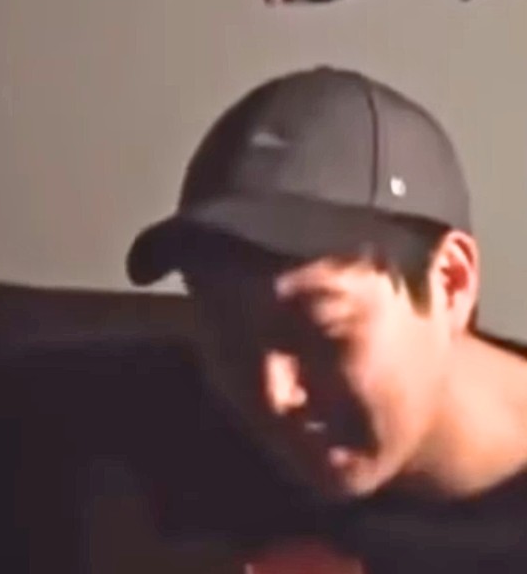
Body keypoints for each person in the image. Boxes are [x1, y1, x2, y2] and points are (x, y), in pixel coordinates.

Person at [126, 66, 527, 572]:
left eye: (322, 333)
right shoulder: (152, 425)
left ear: (450, 282)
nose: (274, 393)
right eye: (228, 336)